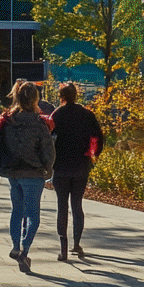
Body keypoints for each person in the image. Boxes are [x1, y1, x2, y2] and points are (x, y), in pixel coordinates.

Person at [0, 81, 55, 272]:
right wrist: (48, 168)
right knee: (33, 215)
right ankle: (24, 250)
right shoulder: (39, 122)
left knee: (17, 210)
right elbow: (48, 149)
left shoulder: (8, 120)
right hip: (33, 173)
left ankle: (15, 246)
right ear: (35, 98)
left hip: (12, 172)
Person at [49, 82, 103, 262]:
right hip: (81, 165)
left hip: (61, 166)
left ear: (61, 96)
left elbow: (48, 139)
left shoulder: (57, 115)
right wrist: (92, 156)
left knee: (62, 205)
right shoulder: (87, 114)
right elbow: (98, 138)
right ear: (76, 96)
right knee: (77, 205)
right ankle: (77, 243)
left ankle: (63, 246)